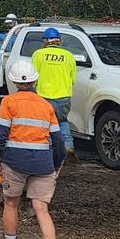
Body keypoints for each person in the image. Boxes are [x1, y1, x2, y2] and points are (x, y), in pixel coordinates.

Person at [0, 58, 66, 239]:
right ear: (35, 80)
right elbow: (59, 141)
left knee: (11, 203)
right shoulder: (46, 105)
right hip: (43, 163)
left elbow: (0, 133)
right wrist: (56, 164)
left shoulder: (9, 102)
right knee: (42, 209)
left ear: (13, 81)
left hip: (15, 161)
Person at [32, 27, 76, 156]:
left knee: (44, 124)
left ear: (45, 41)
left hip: (44, 96)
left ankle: (47, 148)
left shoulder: (38, 54)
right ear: (59, 40)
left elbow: (33, 76)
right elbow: (73, 78)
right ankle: (68, 146)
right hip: (64, 96)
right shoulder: (68, 55)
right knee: (62, 122)